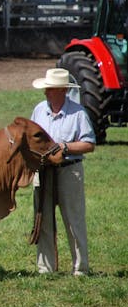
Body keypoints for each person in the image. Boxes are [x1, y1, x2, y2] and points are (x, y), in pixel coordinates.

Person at [30, 68, 95, 276]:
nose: (46, 92)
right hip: (44, 171)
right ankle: (45, 268)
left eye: (50, 88)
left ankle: (80, 268)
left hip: (69, 170)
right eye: (46, 88)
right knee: (43, 219)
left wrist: (65, 147)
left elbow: (89, 144)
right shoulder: (39, 110)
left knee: (73, 219)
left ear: (63, 90)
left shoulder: (78, 113)